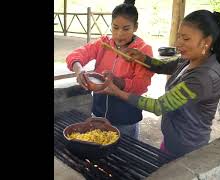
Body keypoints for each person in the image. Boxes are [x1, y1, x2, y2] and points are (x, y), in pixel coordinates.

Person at [100, 10, 220, 158]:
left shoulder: (203, 78)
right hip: (173, 140)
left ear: (206, 42)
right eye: (178, 36)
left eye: (186, 39)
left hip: (186, 150)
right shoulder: (191, 59)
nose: (178, 43)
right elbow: (163, 66)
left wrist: (116, 92)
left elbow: (159, 106)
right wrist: (143, 58)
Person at [66, 0, 154, 139]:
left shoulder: (143, 50)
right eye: (115, 27)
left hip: (126, 116)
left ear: (135, 27)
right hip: (99, 112)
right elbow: (76, 55)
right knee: (99, 147)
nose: (119, 34)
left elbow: (141, 86)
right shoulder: (103, 43)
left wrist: (116, 82)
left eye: (126, 28)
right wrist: (79, 71)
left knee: (125, 155)